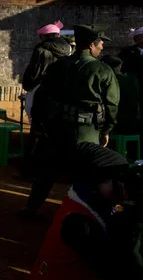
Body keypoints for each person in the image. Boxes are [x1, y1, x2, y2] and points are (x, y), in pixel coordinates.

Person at [21, 25, 119, 217]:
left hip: (56, 128)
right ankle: (84, 214)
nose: (102, 48)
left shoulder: (58, 66)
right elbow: (112, 105)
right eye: (101, 44)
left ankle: (31, 208)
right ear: (91, 45)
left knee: (47, 172)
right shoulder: (103, 70)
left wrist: (41, 124)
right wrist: (106, 130)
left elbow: (42, 96)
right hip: (86, 130)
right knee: (86, 174)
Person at [29, 147, 143, 280]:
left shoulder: (88, 199)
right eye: (117, 179)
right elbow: (122, 269)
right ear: (96, 182)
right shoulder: (79, 224)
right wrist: (137, 224)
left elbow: (117, 210)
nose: (122, 186)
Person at [22, 20, 71, 121]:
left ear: (44, 36)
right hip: (63, 91)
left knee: (37, 118)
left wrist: (27, 85)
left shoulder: (40, 49)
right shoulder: (69, 49)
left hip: (41, 90)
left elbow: (34, 72)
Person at [101, 55, 140, 141]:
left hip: (113, 126)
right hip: (131, 124)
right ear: (120, 66)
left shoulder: (106, 80)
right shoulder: (132, 80)